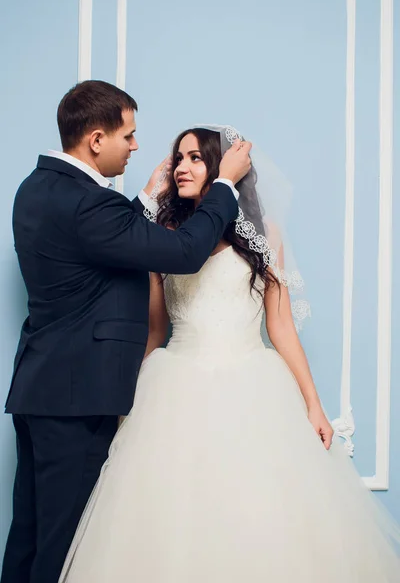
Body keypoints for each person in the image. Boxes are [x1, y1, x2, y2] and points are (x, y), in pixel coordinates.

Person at [58, 125, 400, 582]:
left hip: (253, 386)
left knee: (258, 517)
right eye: (179, 158)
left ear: (223, 167)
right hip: (174, 389)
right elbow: (156, 328)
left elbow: (280, 327)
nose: (182, 167)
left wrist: (314, 404)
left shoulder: (265, 234)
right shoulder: (165, 232)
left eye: (196, 158)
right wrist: (125, 396)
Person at [1, 87, 252, 583]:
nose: (137, 147)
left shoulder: (37, 188)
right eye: (128, 134)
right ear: (96, 139)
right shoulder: (89, 204)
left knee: (29, 538)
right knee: (63, 548)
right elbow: (183, 253)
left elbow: (96, 246)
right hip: (78, 400)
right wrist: (224, 184)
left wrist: (142, 199)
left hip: (41, 389)